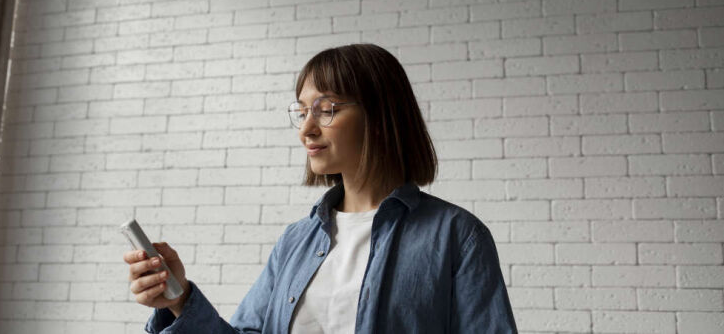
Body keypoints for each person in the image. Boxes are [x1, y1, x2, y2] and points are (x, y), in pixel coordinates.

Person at [124, 43, 518, 333]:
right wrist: (179, 301)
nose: (306, 128)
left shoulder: (457, 236)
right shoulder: (297, 240)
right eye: (301, 110)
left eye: (326, 108)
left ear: (381, 115)